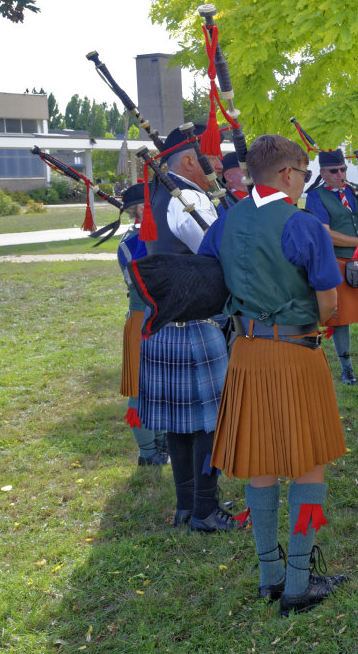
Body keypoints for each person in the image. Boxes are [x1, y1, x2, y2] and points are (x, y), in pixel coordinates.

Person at [199, 134, 348, 616]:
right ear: (287, 174)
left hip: (245, 352)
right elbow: (328, 304)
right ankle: (299, 582)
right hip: (296, 350)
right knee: (309, 462)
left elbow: (205, 278)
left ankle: (270, 575)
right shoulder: (303, 225)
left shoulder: (226, 222)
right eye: (304, 174)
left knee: (261, 462)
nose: (305, 182)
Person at [138, 126, 237, 531]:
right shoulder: (189, 197)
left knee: (180, 422)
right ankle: (205, 510)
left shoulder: (160, 195)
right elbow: (213, 251)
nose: (215, 169)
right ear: (189, 162)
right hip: (195, 325)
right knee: (208, 422)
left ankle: (185, 506)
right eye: (209, 161)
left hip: (162, 323)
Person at [305, 149, 358, 384]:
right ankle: (346, 368)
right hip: (338, 263)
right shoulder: (316, 197)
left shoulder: (357, 190)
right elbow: (327, 234)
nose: (340, 174)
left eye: (343, 169)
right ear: (322, 172)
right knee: (340, 318)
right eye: (334, 171)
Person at [115, 182, 169, 466]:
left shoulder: (160, 232)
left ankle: (161, 444)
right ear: (141, 209)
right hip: (142, 320)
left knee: (160, 386)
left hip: (162, 318)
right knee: (141, 389)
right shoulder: (131, 242)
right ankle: (147, 453)